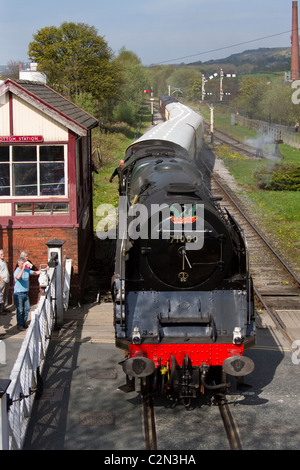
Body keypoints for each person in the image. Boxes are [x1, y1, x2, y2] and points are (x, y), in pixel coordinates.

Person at [14, 257, 40, 331]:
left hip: (25, 293)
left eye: (24, 263)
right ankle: (19, 325)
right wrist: (23, 268)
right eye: (22, 264)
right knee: (20, 310)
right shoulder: (17, 271)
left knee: (27, 309)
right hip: (18, 293)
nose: (24, 265)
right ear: (19, 264)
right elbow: (18, 277)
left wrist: (45, 269)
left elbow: (35, 272)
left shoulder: (27, 270)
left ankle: (23, 322)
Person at [0, 249, 10, 314]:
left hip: (6, 280)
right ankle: (0, 310)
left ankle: (3, 308)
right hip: (2, 281)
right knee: (1, 295)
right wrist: (1, 279)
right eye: (1, 254)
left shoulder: (4, 261)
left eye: (3, 254)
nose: (3, 255)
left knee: (5, 295)